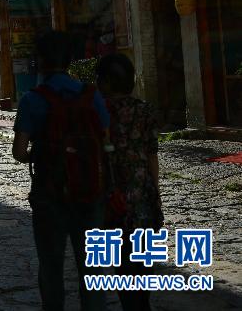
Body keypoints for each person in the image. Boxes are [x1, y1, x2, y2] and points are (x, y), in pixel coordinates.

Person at [12, 31, 110, 311]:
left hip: (50, 194)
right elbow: (105, 138)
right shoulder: (91, 96)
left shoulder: (33, 100)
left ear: (39, 61)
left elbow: (19, 152)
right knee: (92, 269)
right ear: (69, 60)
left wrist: (45, 154)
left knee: (51, 265)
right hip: (90, 192)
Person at [96, 54, 163, 311]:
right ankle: (142, 304)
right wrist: (155, 191)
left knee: (121, 260)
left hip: (112, 194)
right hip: (142, 189)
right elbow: (151, 154)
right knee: (143, 258)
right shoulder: (143, 110)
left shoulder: (100, 111)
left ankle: (132, 305)